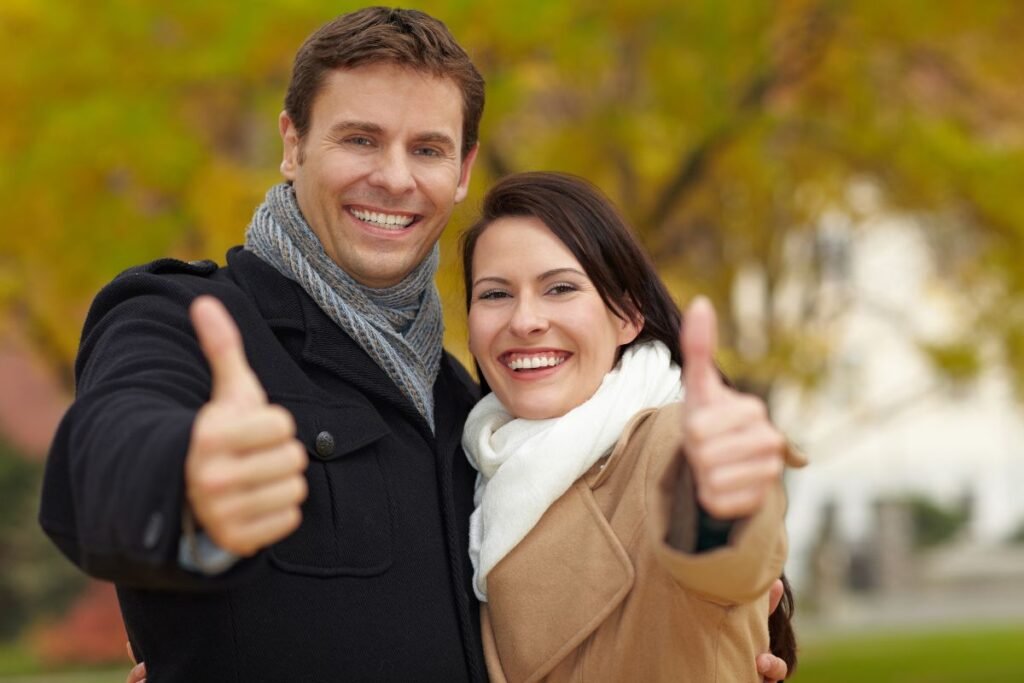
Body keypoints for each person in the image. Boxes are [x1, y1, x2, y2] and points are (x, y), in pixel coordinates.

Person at [37, 6, 791, 682]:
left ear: (462, 171)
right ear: (293, 144)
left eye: (427, 149)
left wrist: (727, 634)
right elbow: (104, 452)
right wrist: (186, 482)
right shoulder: (187, 319)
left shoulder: (472, 411)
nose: (394, 178)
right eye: (360, 139)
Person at [459, 171, 800, 681]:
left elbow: (724, 551)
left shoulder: (674, 441)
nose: (524, 320)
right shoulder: (480, 467)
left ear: (627, 316)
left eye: (560, 288)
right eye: (494, 295)